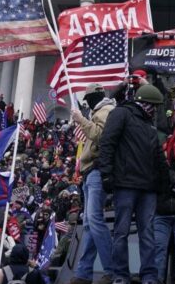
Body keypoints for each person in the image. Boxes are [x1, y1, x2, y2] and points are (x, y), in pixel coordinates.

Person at [99, 84, 168, 284]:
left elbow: (158, 155)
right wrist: (106, 175)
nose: (155, 110)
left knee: (147, 233)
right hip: (126, 184)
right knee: (121, 232)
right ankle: (120, 275)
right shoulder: (121, 114)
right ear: (145, 103)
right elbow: (107, 143)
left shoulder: (149, 125)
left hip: (148, 187)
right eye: (153, 106)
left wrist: (165, 183)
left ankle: (149, 276)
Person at [69, 83, 116, 284]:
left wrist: (80, 119)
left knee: (95, 221)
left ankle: (112, 269)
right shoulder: (99, 111)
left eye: (88, 100)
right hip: (90, 171)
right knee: (89, 223)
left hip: (97, 169)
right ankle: (84, 272)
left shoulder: (106, 110)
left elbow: (101, 135)